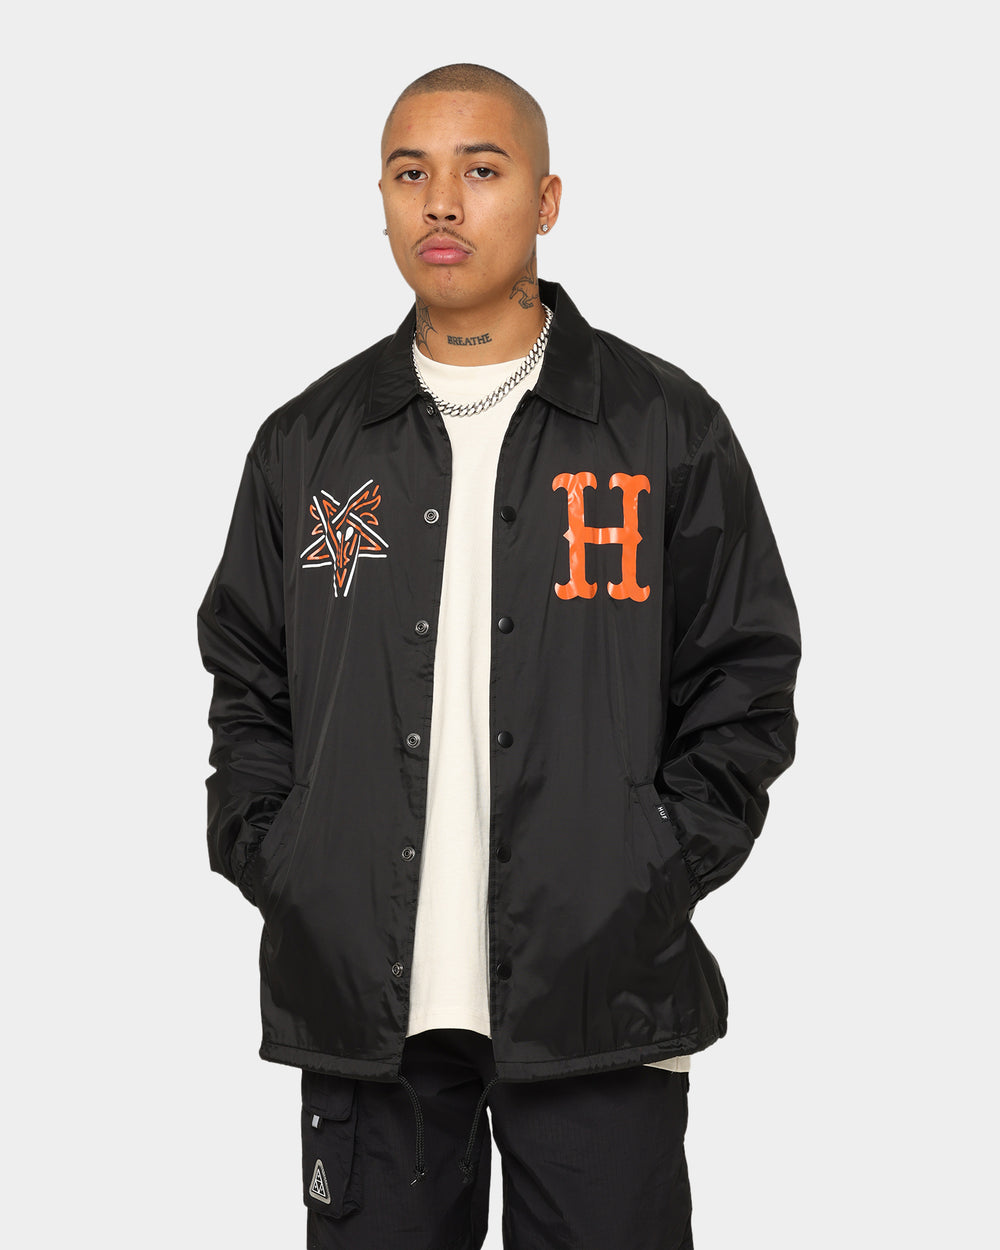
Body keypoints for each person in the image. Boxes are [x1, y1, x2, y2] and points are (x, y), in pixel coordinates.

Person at [198, 62, 801, 1250]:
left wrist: (654, 863)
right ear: (380, 199)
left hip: (597, 983)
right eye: (409, 173)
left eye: (481, 169)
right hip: (363, 992)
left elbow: (742, 668)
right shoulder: (310, 442)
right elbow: (247, 673)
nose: (441, 202)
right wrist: (279, 853)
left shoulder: (658, 426)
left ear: (547, 199)